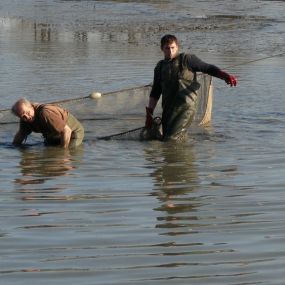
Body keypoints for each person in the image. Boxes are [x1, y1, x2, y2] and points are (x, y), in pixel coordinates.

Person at [145, 34, 237, 141]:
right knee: (168, 137)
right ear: (162, 49)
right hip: (168, 109)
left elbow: (207, 68)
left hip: (185, 108)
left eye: (172, 48)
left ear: (177, 47)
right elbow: (156, 91)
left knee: (171, 139)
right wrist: (149, 112)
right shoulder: (159, 67)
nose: (170, 51)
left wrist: (225, 76)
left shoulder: (187, 59)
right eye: (167, 48)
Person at [12, 98, 84, 148]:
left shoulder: (45, 113)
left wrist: (63, 153)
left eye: (28, 112)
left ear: (31, 107)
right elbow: (21, 134)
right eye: (23, 116)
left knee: (64, 153)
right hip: (53, 134)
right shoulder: (24, 120)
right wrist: (13, 148)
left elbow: (67, 130)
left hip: (73, 132)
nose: (27, 117)